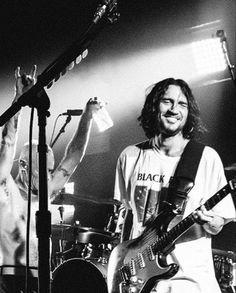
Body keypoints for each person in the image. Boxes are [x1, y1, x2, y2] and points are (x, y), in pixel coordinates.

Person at [108, 78, 236, 293]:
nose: (174, 109)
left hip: (191, 283)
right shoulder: (130, 156)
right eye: (167, 102)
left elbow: (217, 225)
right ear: (153, 107)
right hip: (144, 282)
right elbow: (128, 218)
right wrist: (123, 265)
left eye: (182, 104)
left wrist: (208, 221)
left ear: (188, 113)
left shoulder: (205, 158)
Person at [0, 65, 105, 293]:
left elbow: (73, 158)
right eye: (44, 170)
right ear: (24, 165)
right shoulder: (5, 189)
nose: (51, 175)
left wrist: (87, 117)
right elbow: (7, 144)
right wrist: (18, 101)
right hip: (10, 279)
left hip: (43, 280)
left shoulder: (46, 193)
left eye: (51, 170)